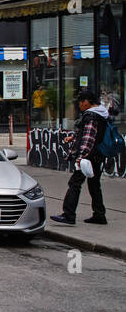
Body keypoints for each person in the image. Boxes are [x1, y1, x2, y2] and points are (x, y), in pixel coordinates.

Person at [51, 88, 110, 225]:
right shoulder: (102, 113)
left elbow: (88, 138)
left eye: (80, 102)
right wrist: (73, 138)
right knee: (94, 185)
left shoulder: (91, 116)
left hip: (88, 157)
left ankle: (68, 215)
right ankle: (99, 215)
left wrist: (81, 157)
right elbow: (92, 134)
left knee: (74, 184)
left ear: (87, 102)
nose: (79, 105)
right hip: (98, 155)